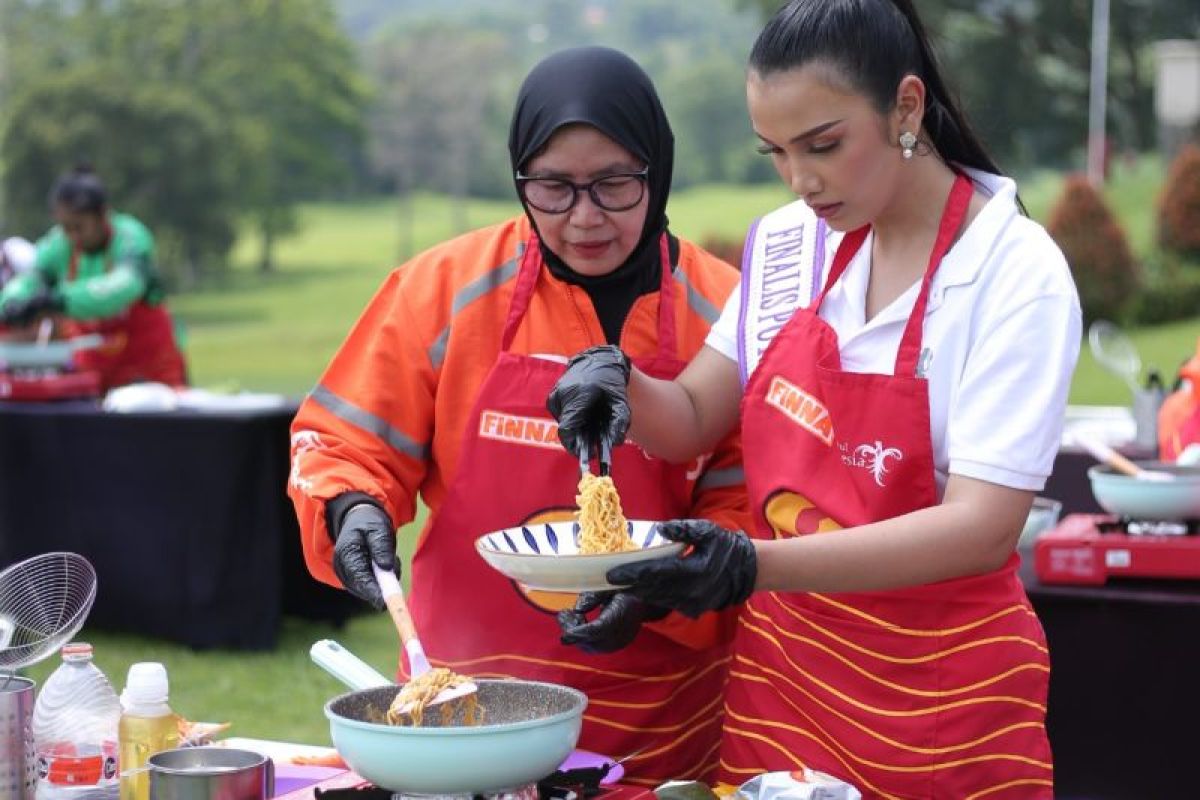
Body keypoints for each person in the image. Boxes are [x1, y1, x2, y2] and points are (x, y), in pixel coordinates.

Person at [547, 2, 1081, 797]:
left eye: (824, 145)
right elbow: (693, 415)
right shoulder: (792, 243)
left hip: (942, 701)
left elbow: (981, 526)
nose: (802, 180)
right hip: (788, 692)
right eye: (777, 153)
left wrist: (749, 564)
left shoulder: (1012, 270)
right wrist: (615, 379)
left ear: (905, 106)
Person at [288, 46, 749, 785]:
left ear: (656, 171)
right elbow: (345, 440)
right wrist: (350, 508)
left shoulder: (726, 312)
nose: (584, 218)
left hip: (660, 722)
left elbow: (744, 503)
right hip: (465, 714)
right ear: (518, 179)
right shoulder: (444, 290)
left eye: (613, 184)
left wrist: (662, 588)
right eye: (554, 188)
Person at [0, 166, 187, 390]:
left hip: (151, 373)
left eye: (79, 227)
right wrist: (12, 302)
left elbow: (122, 287)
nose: (72, 236)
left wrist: (57, 300)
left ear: (102, 214)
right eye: (66, 228)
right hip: (92, 376)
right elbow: (30, 280)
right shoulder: (59, 244)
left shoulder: (130, 238)